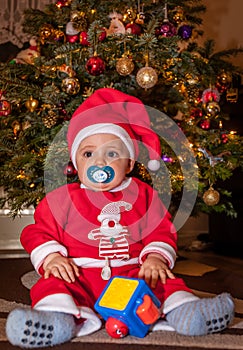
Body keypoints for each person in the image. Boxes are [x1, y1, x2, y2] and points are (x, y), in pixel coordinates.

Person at [6, 88, 234, 348]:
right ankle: (55, 320)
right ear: (75, 162)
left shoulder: (143, 195)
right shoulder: (62, 199)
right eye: (88, 154)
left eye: (112, 154)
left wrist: (156, 258)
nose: (99, 162)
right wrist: (52, 257)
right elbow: (37, 232)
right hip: (78, 271)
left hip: (132, 271)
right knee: (53, 284)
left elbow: (161, 230)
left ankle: (188, 314)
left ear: (128, 164)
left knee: (162, 282)